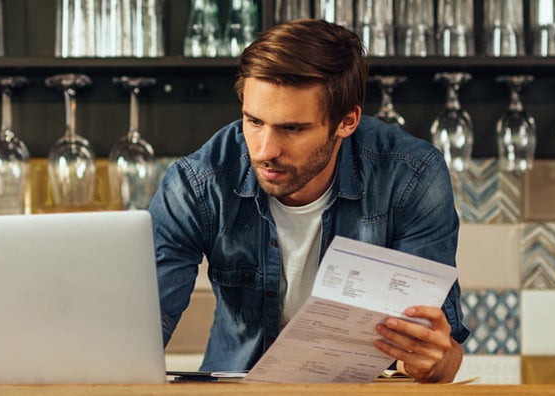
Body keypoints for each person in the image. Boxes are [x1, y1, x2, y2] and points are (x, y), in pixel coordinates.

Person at [148, 19, 469, 384]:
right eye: (253, 121)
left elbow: (443, 358)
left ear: (346, 121)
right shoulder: (197, 183)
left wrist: (432, 361)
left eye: (292, 128)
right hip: (235, 390)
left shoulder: (411, 176)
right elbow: (141, 330)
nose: (266, 151)